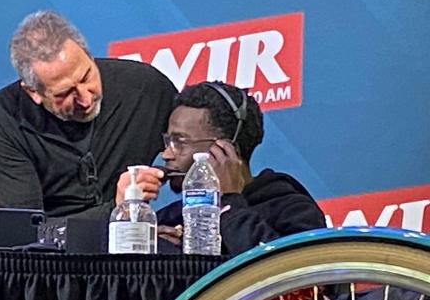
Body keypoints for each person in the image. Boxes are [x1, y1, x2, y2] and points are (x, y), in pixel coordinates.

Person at [0, 10, 176, 217]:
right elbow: (23, 233)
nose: (85, 98)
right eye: (65, 93)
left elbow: (194, 152)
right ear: (34, 92)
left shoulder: (144, 87)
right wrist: (117, 208)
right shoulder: (4, 117)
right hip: (57, 247)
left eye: (86, 77)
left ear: (90, 57)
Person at [116, 81, 326, 255]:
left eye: (179, 141)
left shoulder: (291, 209)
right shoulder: (169, 218)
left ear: (224, 150)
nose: (166, 154)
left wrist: (227, 203)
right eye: (167, 141)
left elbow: (290, 281)